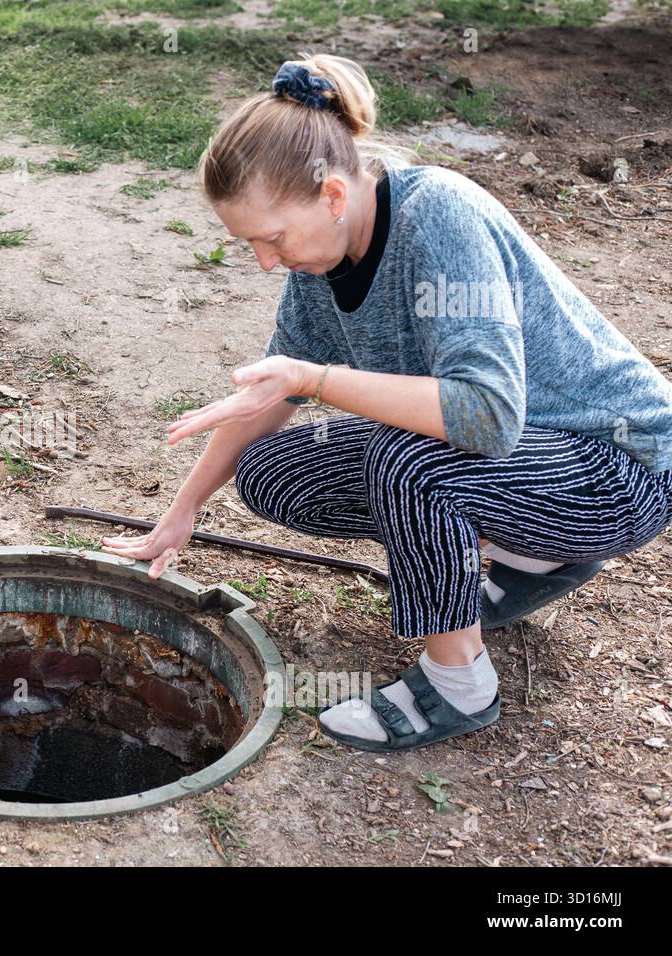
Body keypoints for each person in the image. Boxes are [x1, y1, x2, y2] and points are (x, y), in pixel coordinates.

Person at [99, 54, 672, 752]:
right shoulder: (324, 257)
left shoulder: (439, 218)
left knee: (412, 460)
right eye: (249, 244)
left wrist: (316, 379)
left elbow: (486, 416)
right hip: (522, 462)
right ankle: (532, 554)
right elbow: (274, 393)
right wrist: (181, 511)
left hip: (619, 469)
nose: (266, 262)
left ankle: (459, 685)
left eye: (272, 238)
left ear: (334, 196)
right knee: (278, 472)